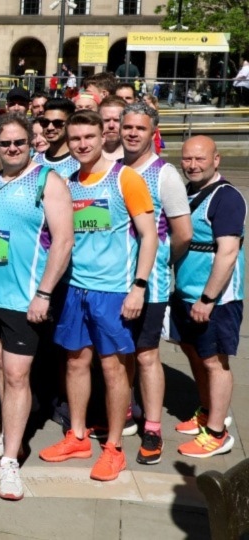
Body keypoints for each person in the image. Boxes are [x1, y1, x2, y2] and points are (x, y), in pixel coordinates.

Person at [40, 110, 158, 483]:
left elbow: (150, 236)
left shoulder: (126, 178)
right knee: (75, 363)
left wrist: (139, 286)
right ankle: (77, 435)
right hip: (76, 288)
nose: (82, 144)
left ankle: (113, 447)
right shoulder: (68, 182)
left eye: (88, 137)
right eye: (75, 139)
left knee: (113, 369)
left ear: (102, 135)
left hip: (115, 290)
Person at [0, 114, 74, 499]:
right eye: (5, 144)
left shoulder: (47, 181)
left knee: (15, 376)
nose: (12, 149)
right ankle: (9, 437)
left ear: (32, 143)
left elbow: (63, 241)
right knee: (0, 367)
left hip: (24, 299)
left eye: (19, 143)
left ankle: (10, 459)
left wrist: (44, 294)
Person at [118, 102, 193, 464]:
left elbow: (183, 234)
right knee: (120, 353)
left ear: (153, 132)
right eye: (127, 127)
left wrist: (161, 264)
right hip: (112, 281)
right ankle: (127, 411)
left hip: (149, 285)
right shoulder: (113, 168)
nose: (132, 133)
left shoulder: (164, 174)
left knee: (146, 354)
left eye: (140, 128)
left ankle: (152, 426)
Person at [171, 136, 244, 458]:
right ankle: (207, 410)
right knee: (195, 355)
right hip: (185, 292)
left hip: (215, 298)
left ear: (217, 159)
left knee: (215, 362)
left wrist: (208, 298)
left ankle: (218, 432)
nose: (193, 165)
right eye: (187, 159)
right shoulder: (187, 193)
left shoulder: (226, 197)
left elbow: (227, 254)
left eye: (200, 159)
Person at [33, 98, 80, 179]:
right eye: (45, 122)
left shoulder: (80, 161)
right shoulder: (34, 160)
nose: (50, 127)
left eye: (57, 123)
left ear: (70, 124)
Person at [99, 96, 127, 161]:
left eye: (117, 120)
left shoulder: (135, 157)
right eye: (106, 120)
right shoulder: (87, 155)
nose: (111, 125)